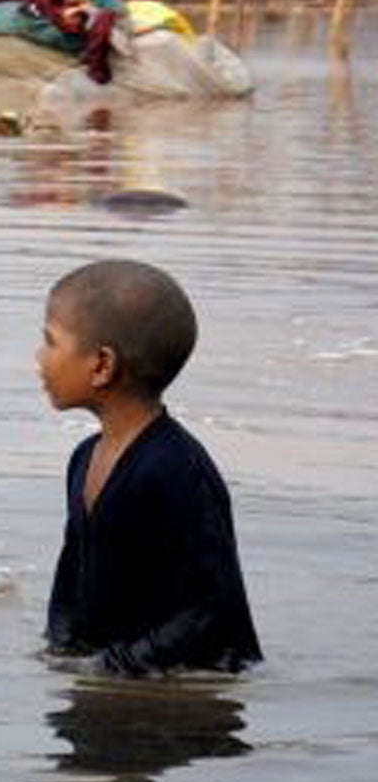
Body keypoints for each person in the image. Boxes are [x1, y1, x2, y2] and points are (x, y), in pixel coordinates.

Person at [38, 259, 262, 674]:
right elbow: (71, 574)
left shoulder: (176, 469)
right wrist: (60, 648)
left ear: (102, 365)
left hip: (181, 706)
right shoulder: (84, 458)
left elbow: (207, 609)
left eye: (50, 342)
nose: (39, 358)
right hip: (115, 681)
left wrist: (113, 667)